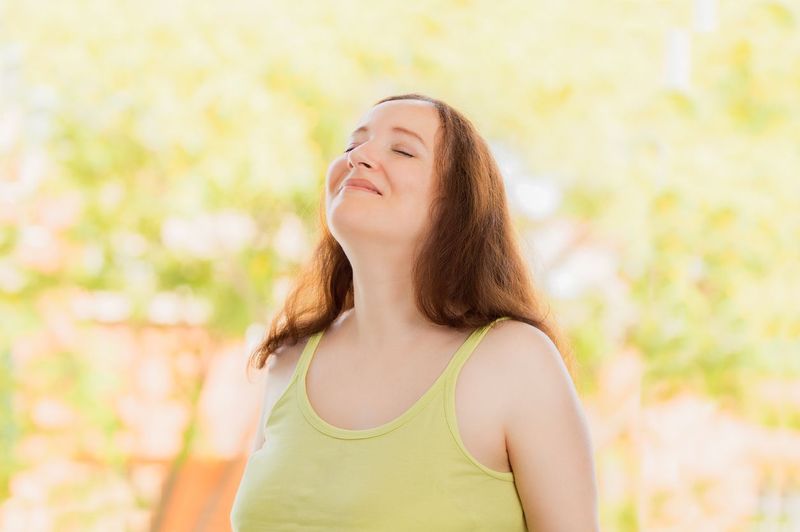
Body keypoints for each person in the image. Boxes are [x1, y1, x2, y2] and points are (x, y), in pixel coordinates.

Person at [230, 93, 599, 531]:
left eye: (402, 149)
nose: (360, 157)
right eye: (352, 146)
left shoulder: (513, 360)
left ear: (456, 206)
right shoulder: (288, 361)